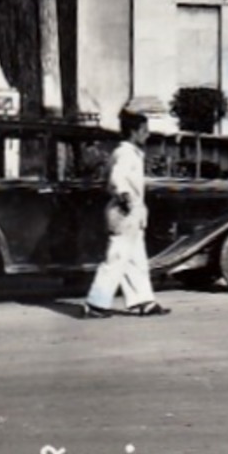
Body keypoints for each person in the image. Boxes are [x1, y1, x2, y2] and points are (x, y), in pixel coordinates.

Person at [84, 108, 170, 318]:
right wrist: (125, 197)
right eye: (144, 130)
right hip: (124, 211)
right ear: (135, 132)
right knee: (116, 258)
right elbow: (117, 178)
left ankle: (143, 301)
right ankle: (96, 303)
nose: (147, 134)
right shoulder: (125, 153)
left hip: (132, 213)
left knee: (136, 260)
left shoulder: (130, 153)